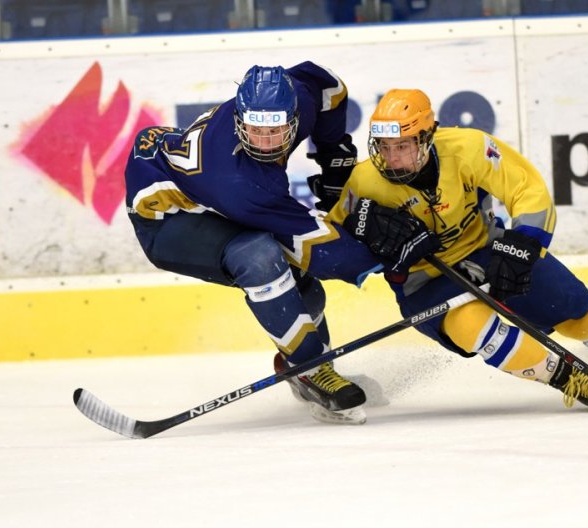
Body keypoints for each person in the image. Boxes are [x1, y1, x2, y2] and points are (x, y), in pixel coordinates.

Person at [124, 63, 430, 424]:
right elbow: (323, 253)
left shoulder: (300, 99)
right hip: (168, 219)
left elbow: (328, 87)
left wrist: (332, 154)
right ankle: (311, 370)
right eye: (256, 131)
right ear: (240, 121)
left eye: (276, 131)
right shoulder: (239, 185)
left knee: (302, 288)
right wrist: (385, 253)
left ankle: (309, 365)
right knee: (260, 257)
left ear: (293, 116)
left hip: (198, 185)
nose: (266, 142)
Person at [330, 88, 588, 410]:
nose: (392, 157)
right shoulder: (363, 182)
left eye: (402, 145)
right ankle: (570, 379)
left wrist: (524, 243)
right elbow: (332, 248)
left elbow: (526, 189)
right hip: (425, 283)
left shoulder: (470, 147)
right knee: (474, 326)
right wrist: (365, 237)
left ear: (427, 136)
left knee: (579, 312)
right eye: (384, 147)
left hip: (490, 251)